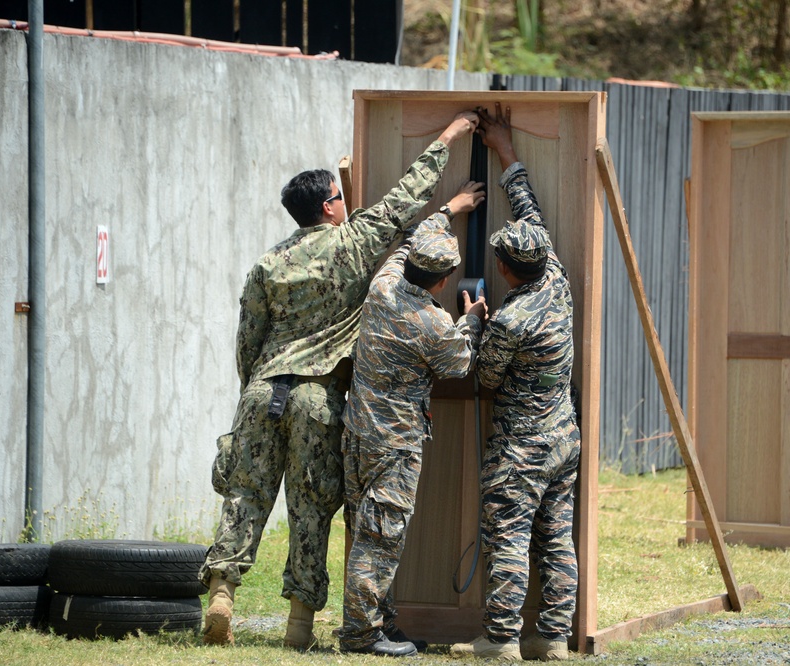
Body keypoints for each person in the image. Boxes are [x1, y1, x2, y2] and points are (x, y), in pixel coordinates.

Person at [199, 110, 481, 649]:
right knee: (310, 509)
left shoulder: (267, 263)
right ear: (330, 206)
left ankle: (222, 592)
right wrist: (450, 136)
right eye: (340, 195)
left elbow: (247, 339)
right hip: (317, 395)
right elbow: (404, 200)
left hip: (263, 390)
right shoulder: (353, 243)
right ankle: (299, 628)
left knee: (244, 496)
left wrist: (251, 391)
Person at [450, 104, 581, 662]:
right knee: (556, 540)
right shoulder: (554, 276)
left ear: (504, 271)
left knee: (509, 539)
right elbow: (530, 211)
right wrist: (506, 150)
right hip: (563, 439)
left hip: (520, 448)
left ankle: (500, 640)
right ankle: (551, 637)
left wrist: (475, 324)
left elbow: (483, 377)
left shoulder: (510, 319)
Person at [338, 185, 489, 656]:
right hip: (395, 444)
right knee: (380, 537)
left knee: (369, 530)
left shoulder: (383, 284)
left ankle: (380, 622)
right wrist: (473, 320)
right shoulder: (432, 323)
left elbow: (409, 242)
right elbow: (460, 362)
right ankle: (362, 636)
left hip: (358, 433)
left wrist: (448, 209)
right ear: (444, 281)